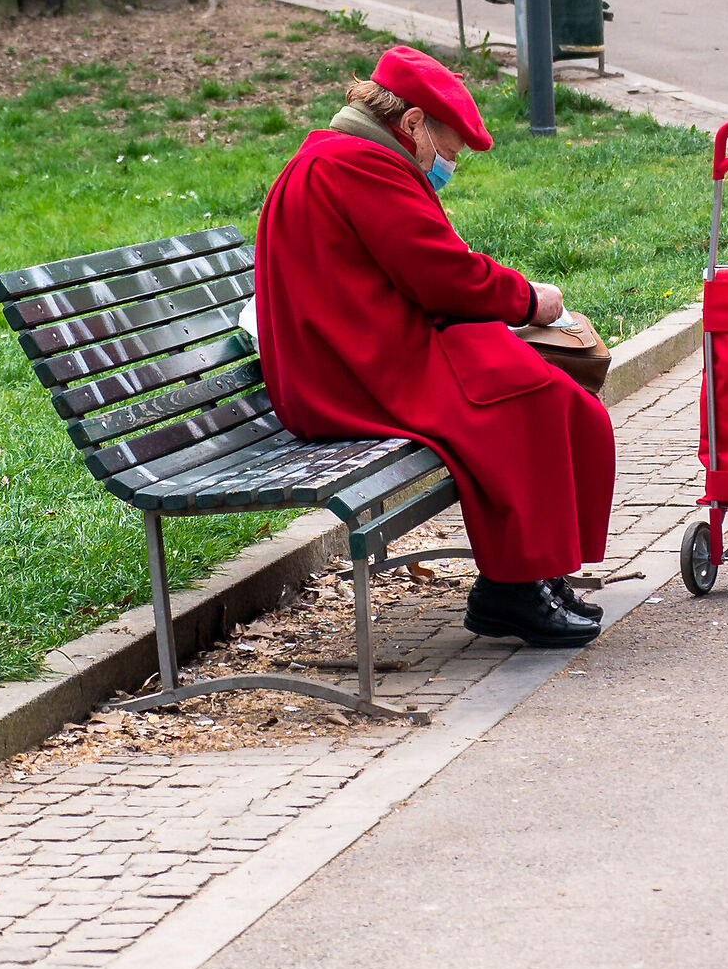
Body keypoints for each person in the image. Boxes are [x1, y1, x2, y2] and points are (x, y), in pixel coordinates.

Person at [254, 45, 614, 647]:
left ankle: (537, 573)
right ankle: (512, 588)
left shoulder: (356, 157)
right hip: (347, 375)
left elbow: (426, 272)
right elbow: (441, 273)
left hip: (364, 352)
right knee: (524, 397)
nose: (445, 167)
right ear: (413, 122)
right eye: (446, 151)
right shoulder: (358, 165)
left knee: (549, 389)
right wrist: (530, 300)